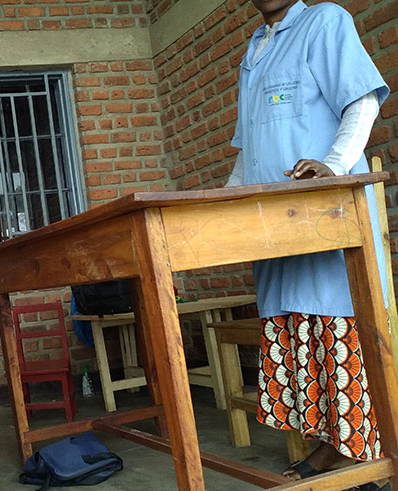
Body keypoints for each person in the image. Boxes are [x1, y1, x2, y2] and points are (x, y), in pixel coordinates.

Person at [227, 0, 390, 488]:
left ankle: (367, 454)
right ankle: (334, 445)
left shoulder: (324, 21)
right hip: (276, 227)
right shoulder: (253, 52)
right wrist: (222, 205)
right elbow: (249, 151)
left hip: (326, 214)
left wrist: (333, 166)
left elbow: (362, 101)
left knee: (339, 327)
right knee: (300, 332)